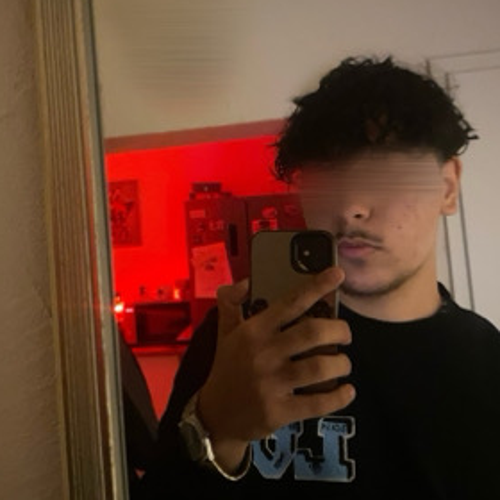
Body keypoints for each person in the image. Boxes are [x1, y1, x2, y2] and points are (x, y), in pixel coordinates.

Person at [138, 56, 500, 499]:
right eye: (326, 175)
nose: (349, 207)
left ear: (447, 186)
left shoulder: (488, 364)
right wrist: (216, 428)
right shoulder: (241, 340)